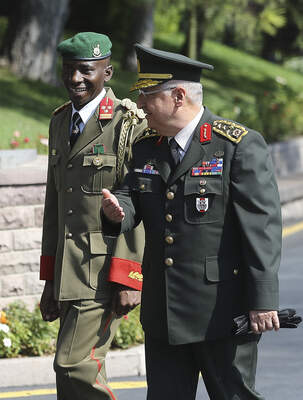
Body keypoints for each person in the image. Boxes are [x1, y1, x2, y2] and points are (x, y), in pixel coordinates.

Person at [101, 43, 282, 400]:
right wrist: (117, 211)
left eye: (148, 95)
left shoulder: (236, 145)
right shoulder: (147, 146)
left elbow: (261, 229)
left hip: (221, 312)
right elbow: (131, 196)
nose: (140, 106)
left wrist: (263, 300)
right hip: (163, 312)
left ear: (178, 96)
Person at [39, 33, 147, 400]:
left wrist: (130, 277)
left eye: (86, 70)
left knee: (76, 364)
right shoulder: (59, 122)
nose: (75, 79)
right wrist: (49, 279)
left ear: (108, 72)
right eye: (68, 70)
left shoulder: (127, 123)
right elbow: (55, 205)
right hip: (68, 270)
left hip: (103, 271)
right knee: (67, 380)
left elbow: (138, 204)